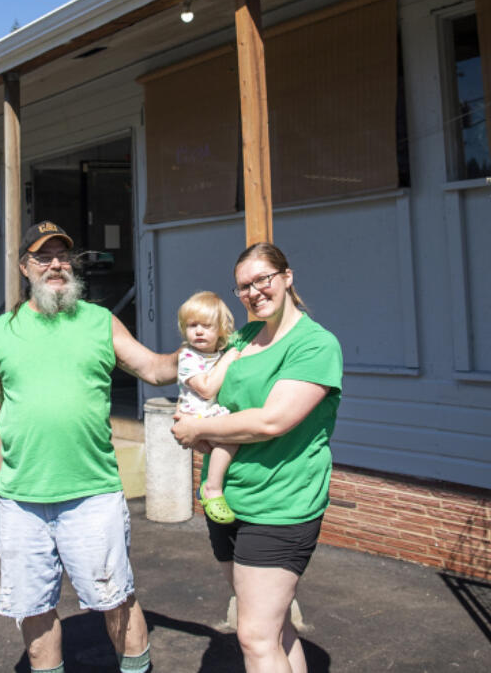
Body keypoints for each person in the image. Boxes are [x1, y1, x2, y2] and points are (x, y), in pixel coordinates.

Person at [0, 221, 178, 673]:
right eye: (43, 257)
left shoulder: (99, 322)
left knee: (115, 600)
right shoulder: (2, 331)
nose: (56, 264)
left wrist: (203, 349)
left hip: (92, 494)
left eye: (63, 256)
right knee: (34, 608)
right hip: (22, 499)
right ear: (25, 267)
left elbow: (156, 370)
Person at [171, 243, 342, 673]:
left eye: (263, 279)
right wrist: (195, 426)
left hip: (280, 505)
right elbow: (214, 399)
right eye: (244, 286)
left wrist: (199, 429)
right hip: (229, 501)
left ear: (287, 277)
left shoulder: (315, 345)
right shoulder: (244, 337)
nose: (253, 292)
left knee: (254, 636)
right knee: (276, 627)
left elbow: (270, 422)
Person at [174, 290, 241, 524]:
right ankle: (212, 488)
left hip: (208, 412)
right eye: (192, 325)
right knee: (229, 439)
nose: (199, 331)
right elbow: (206, 389)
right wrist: (229, 359)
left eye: (207, 326)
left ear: (221, 330)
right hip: (198, 414)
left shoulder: (217, 353)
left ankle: (212, 483)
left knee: (226, 444)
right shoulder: (188, 357)